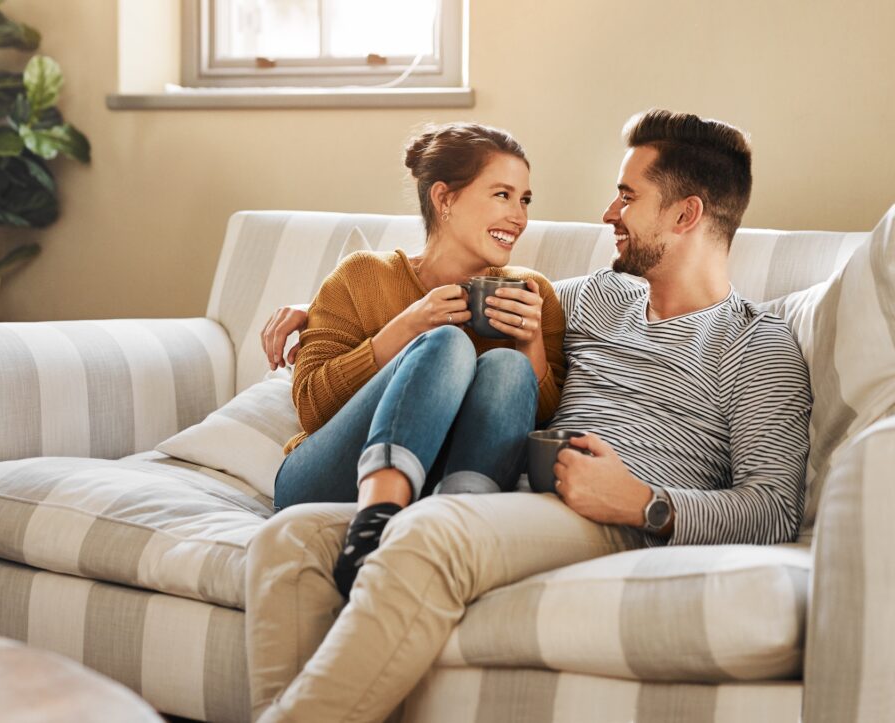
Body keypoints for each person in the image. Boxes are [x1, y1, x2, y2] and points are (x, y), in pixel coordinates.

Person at [247, 109, 812, 722]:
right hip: (509, 493)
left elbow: (775, 509)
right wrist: (323, 309)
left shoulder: (759, 345)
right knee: (289, 538)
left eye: (627, 197)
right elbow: (469, 294)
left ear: (686, 214)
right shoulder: (598, 297)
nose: (608, 214)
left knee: (431, 533)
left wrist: (641, 502)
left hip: (609, 516)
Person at [270, 122, 567, 596]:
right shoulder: (362, 276)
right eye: (502, 195)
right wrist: (406, 328)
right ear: (444, 199)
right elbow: (312, 407)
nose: (519, 217)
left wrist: (528, 343)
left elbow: (543, 422)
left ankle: (457, 527)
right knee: (448, 343)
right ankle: (374, 526)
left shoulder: (533, 293)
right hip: (326, 482)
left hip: (441, 493)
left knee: (507, 367)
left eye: (525, 200)